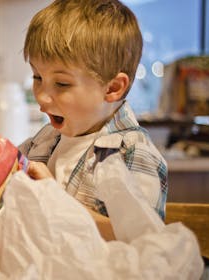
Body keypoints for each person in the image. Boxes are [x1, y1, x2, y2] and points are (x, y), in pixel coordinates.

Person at [18, 0, 168, 240]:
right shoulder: (46, 139)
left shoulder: (132, 154)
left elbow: (139, 243)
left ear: (112, 88)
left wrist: (55, 200)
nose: (42, 97)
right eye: (37, 77)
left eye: (62, 84)